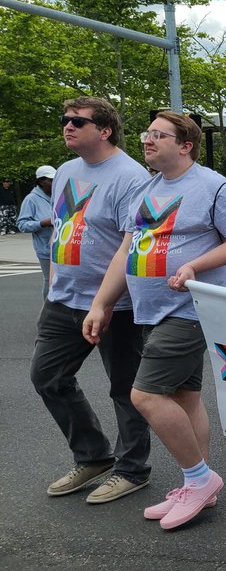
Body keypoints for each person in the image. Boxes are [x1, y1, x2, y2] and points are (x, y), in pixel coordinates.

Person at [83, 111, 226, 529]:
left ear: (185, 145)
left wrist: (196, 265)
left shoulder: (216, 187)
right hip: (150, 311)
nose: (148, 140)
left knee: (144, 395)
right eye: (147, 133)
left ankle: (199, 478)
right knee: (184, 398)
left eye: (159, 135)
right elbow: (126, 251)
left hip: (188, 311)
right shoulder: (146, 188)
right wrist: (101, 304)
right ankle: (198, 484)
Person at [30, 97, 151, 505]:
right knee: (47, 377)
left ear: (105, 130)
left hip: (115, 304)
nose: (67, 126)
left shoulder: (130, 177)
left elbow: (127, 245)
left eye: (77, 121)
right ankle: (94, 456)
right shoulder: (65, 171)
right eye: (65, 119)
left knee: (127, 389)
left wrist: (103, 301)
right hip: (63, 298)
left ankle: (133, 469)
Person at [18, 164, 56, 297]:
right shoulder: (31, 199)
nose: (53, 183)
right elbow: (22, 224)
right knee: (49, 280)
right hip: (45, 247)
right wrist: (42, 223)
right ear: (41, 181)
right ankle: (48, 311)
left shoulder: (57, 195)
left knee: (62, 279)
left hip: (62, 244)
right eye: (50, 180)